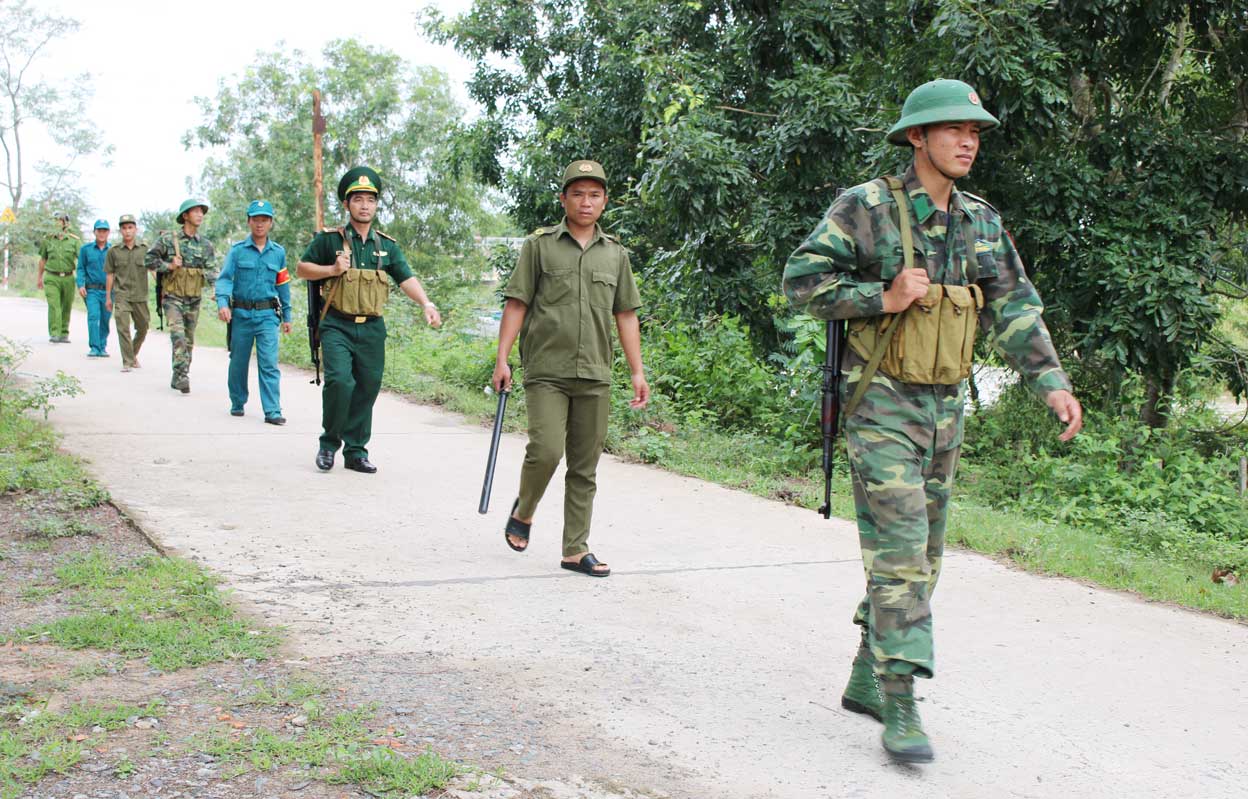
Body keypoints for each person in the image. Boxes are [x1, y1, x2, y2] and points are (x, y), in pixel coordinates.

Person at [781, 79, 1083, 763]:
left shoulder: (980, 220)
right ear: (916, 137)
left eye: (974, 131)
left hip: (946, 407)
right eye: (953, 129)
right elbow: (801, 279)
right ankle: (902, 695)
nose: (968, 140)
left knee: (923, 558)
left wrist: (1052, 382)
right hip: (881, 402)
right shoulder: (867, 207)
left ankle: (867, 668)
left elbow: (1015, 305)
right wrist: (881, 295)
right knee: (901, 548)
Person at [491, 160, 649, 578]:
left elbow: (627, 315)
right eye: (577, 193)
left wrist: (637, 371)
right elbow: (517, 303)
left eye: (594, 194)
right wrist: (502, 358)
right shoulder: (540, 246)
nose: (586, 201)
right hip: (546, 367)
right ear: (563, 199)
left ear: (604, 201)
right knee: (546, 450)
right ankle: (525, 509)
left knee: (585, 464)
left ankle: (575, 549)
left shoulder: (615, 254)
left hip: (595, 371)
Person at [296, 166, 442, 473]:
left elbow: (405, 278)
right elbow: (302, 268)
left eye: (370, 200)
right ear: (347, 204)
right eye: (358, 199)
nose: (365, 205)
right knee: (339, 382)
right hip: (337, 324)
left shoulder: (386, 246)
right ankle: (328, 444)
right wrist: (332, 270)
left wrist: (426, 303)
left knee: (367, 387)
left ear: (376, 206)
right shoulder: (329, 241)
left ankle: (356, 451)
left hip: (372, 329)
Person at [215, 200, 292, 424]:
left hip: (268, 316)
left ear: (270, 223)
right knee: (238, 361)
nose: (260, 224)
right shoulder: (237, 251)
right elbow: (225, 279)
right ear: (249, 221)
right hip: (241, 314)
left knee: (268, 362)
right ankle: (237, 401)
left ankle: (272, 410)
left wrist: (287, 316)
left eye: (264, 220)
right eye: (255, 219)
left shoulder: (278, 253)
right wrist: (222, 303)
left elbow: (283, 286)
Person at [145, 199, 217, 393]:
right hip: (172, 297)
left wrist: (216, 289)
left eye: (202, 212)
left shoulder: (205, 245)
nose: (200, 215)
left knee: (189, 339)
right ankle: (182, 375)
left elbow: (211, 270)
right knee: (178, 336)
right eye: (195, 211)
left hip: (193, 298)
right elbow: (149, 260)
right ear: (185, 216)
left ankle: (179, 374)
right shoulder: (169, 239)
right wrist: (169, 266)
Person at [105, 214, 150, 372]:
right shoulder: (114, 251)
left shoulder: (145, 249)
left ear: (135, 229)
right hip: (122, 294)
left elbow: (153, 269)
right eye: (124, 228)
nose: (127, 231)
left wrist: (162, 289)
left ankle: (133, 353)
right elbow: (110, 274)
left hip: (140, 295)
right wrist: (108, 297)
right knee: (123, 328)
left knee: (143, 327)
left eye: (130, 227)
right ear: (120, 231)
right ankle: (127, 361)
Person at [36, 212, 79, 343]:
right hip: (51, 277)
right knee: (54, 305)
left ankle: (64, 333)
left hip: (68, 278)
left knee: (66, 305)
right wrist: (39, 277)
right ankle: (55, 333)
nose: (57, 223)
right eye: (55, 220)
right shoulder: (47, 239)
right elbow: (43, 259)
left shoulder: (74, 240)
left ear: (66, 223)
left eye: (60, 220)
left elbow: (81, 260)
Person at [76, 219, 112, 357]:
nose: (101, 233)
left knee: (105, 318)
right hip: (92, 290)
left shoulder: (113, 250)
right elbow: (80, 268)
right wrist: (80, 285)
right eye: (99, 230)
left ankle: (102, 346)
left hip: (108, 291)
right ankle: (94, 347)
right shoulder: (86, 250)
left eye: (104, 230)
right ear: (94, 232)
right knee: (93, 316)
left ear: (108, 232)